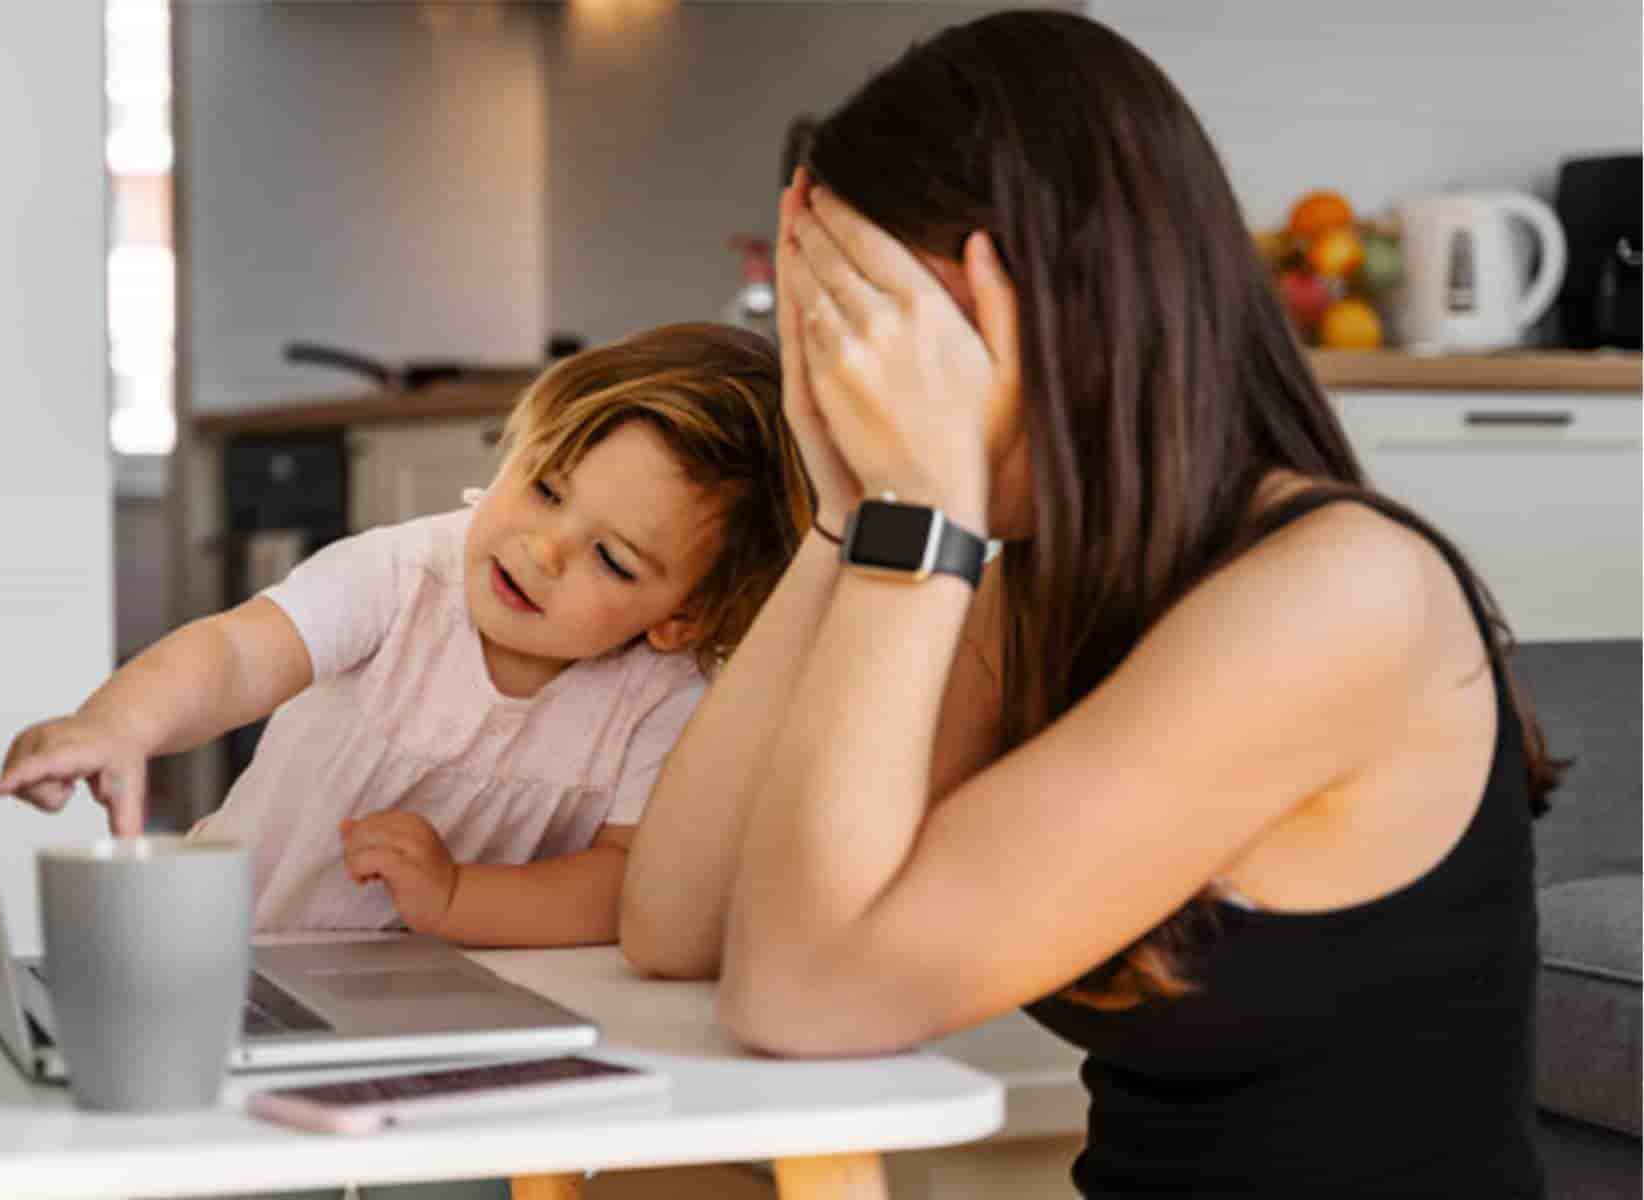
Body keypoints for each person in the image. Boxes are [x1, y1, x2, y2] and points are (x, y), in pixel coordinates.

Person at [619, 11, 1558, 1197]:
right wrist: (843, 514)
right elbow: (678, 926)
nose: (864, 381)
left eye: (888, 333)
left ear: (1048, 304)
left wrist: (918, 514)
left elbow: (803, 996)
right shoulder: (1037, 587)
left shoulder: (1340, 596)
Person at [0, 322, 810, 946]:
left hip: (447, 994)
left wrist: (456, 897)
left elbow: (624, 879)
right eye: (545, 489)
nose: (543, 550)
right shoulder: (403, 576)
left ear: (680, 618)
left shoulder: (665, 698)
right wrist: (119, 725)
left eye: (611, 559)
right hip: (239, 945)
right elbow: (238, 654)